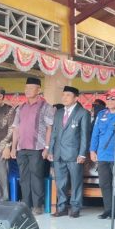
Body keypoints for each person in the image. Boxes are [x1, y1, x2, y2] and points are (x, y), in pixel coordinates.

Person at [10, 77, 54, 215]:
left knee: (36, 176)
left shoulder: (46, 106)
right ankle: (26, 204)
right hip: (21, 148)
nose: (27, 90)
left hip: (37, 148)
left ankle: (37, 206)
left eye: (31, 88)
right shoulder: (21, 107)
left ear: (38, 90)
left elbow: (49, 128)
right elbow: (16, 128)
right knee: (24, 177)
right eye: (26, 88)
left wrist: (47, 148)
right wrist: (13, 147)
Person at [49, 86, 90, 218]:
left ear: (76, 98)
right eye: (63, 95)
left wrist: (82, 153)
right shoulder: (59, 112)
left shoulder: (83, 113)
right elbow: (54, 133)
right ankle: (61, 207)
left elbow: (85, 135)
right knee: (60, 182)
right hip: (58, 153)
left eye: (68, 95)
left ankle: (75, 207)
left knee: (76, 181)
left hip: (74, 154)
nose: (64, 98)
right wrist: (51, 150)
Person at [90, 88, 115, 220]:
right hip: (102, 154)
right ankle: (107, 209)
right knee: (104, 183)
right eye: (108, 98)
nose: (110, 101)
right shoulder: (101, 115)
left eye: (113, 98)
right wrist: (92, 150)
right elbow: (95, 134)